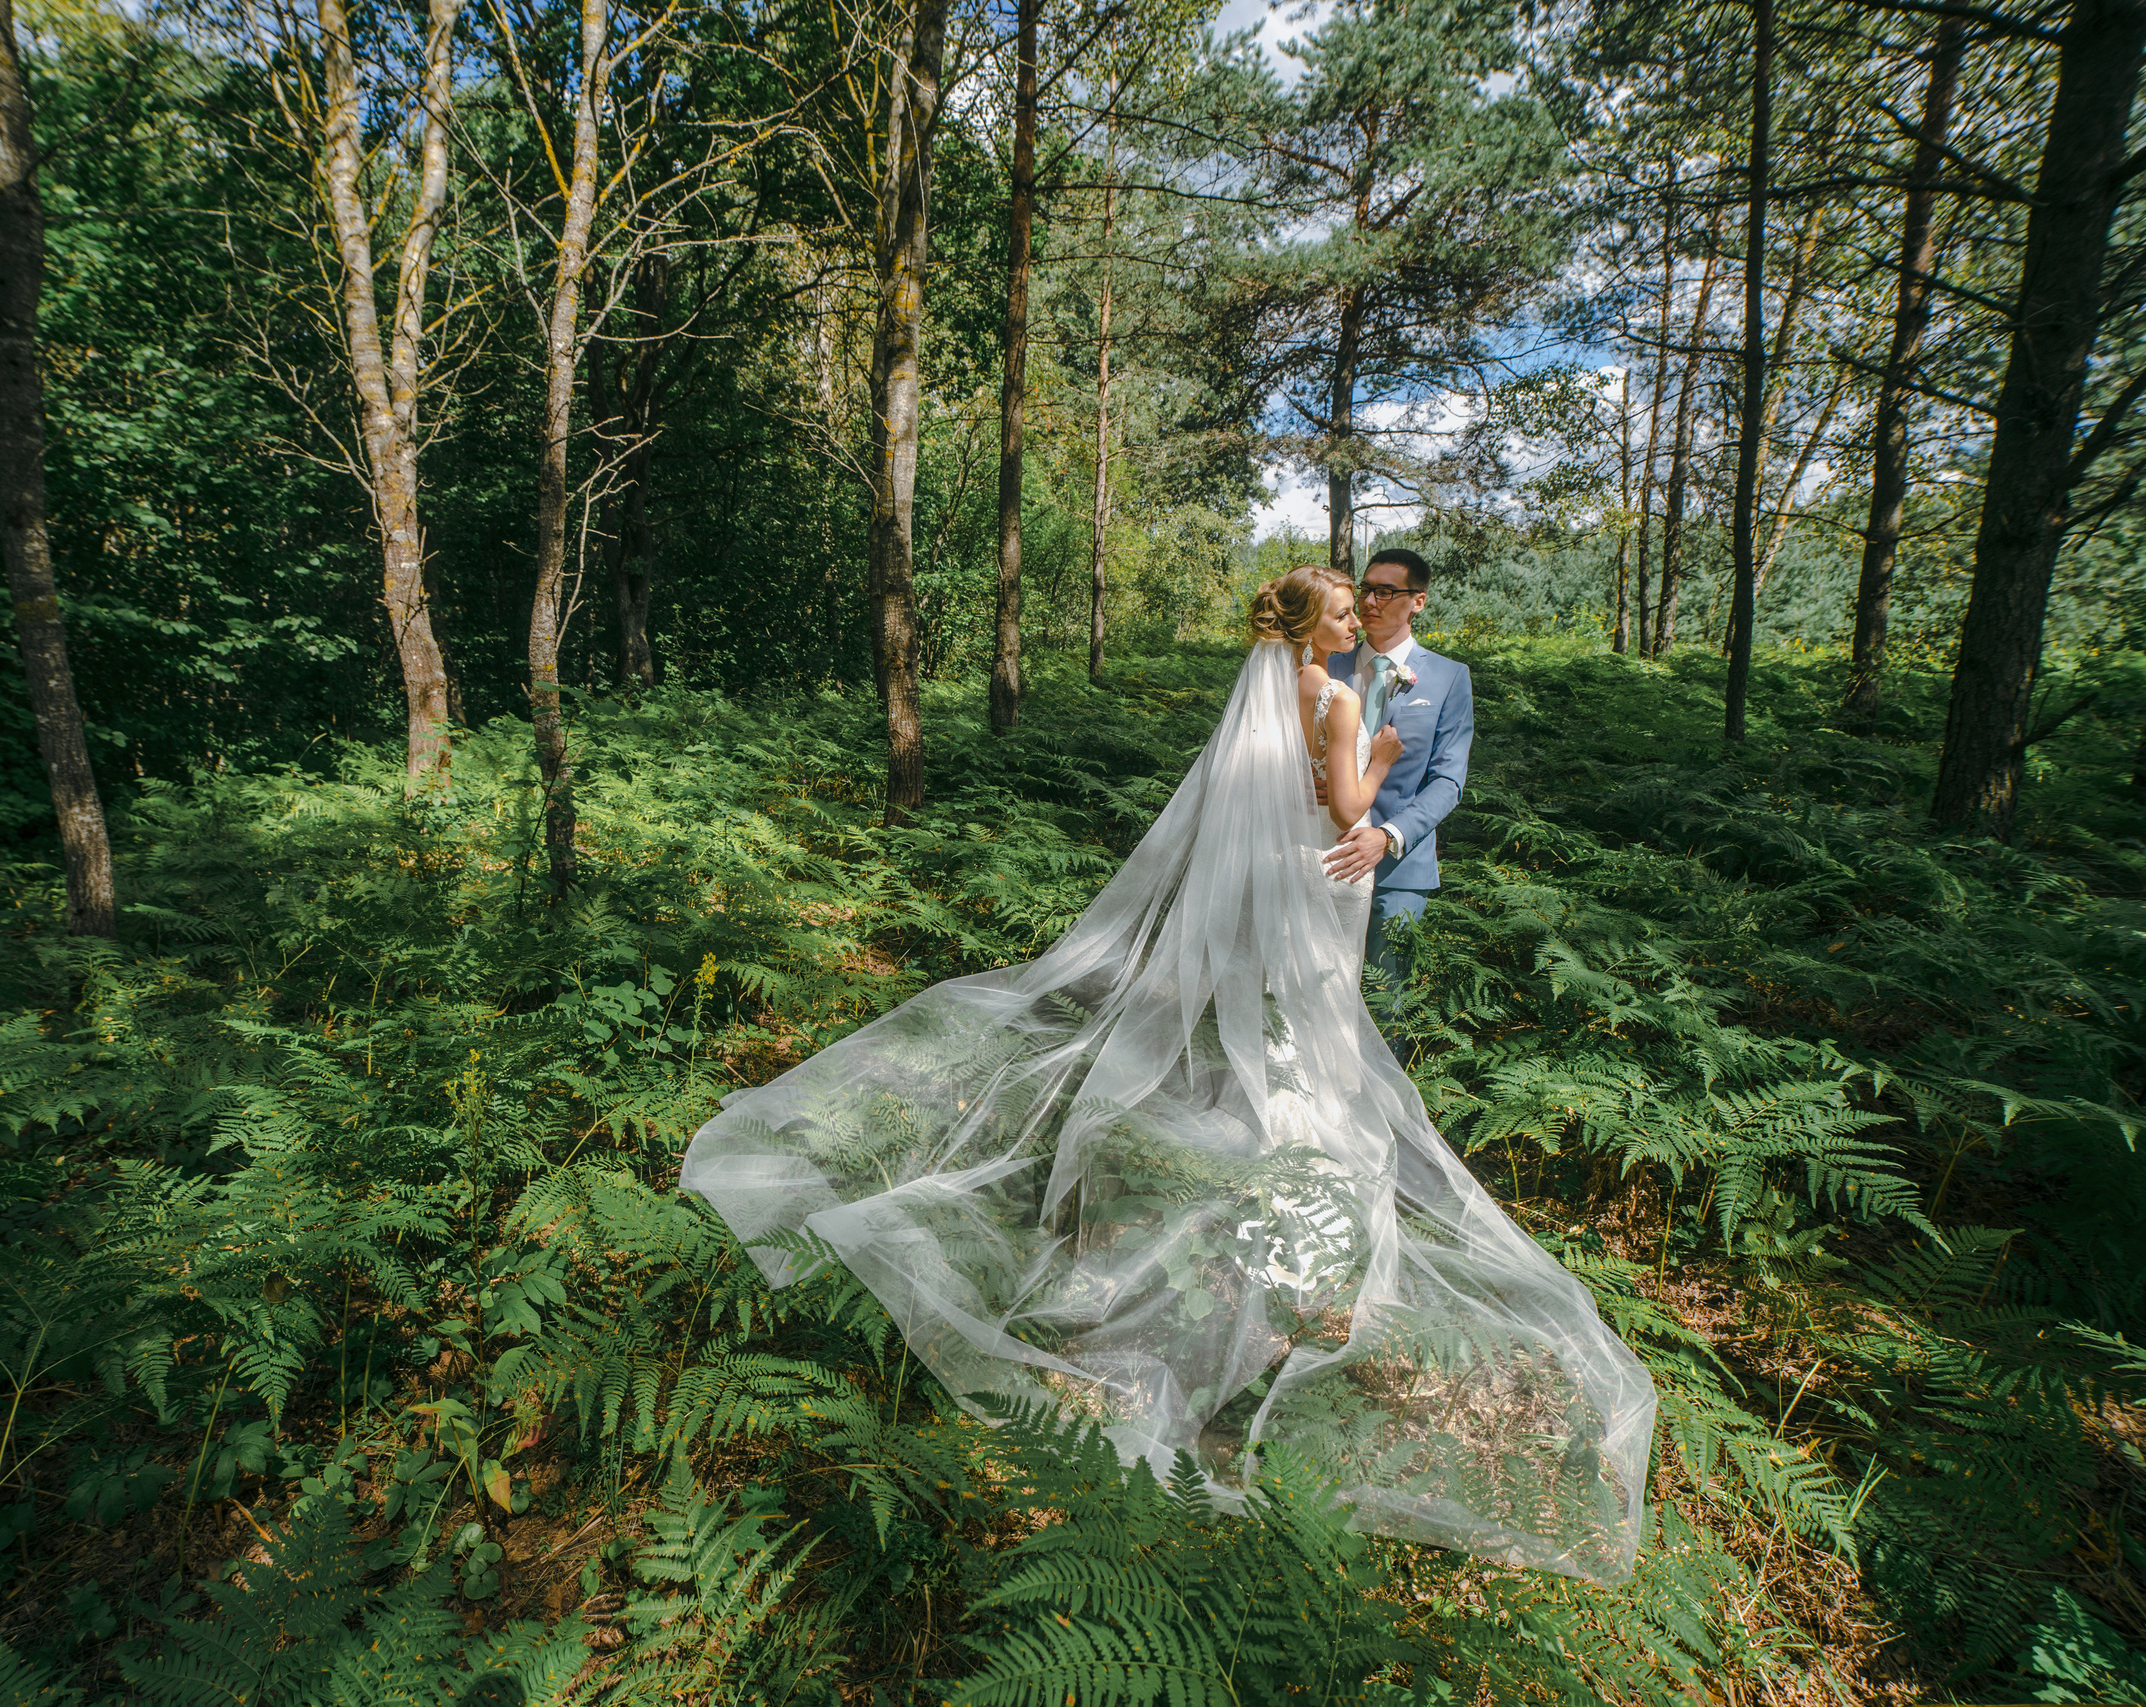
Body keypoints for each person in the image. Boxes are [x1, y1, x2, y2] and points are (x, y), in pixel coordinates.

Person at [679, 567, 1653, 1583]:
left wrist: (1394, 793)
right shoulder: (1341, 694)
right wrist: (1383, 755)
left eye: (1367, 599)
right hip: (1318, 886)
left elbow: (1290, 801)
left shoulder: (1270, 688)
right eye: (1341, 604)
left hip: (1279, 886)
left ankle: (1259, 1162)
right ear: (1322, 622)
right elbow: (1339, 803)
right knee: (1307, 1041)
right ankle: (1292, 1205)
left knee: (1267, 1038)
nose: (1357, 612)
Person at [1317, 549, 1473, 1052]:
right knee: (1312, 987)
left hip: (1398, 871)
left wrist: (1388, 836)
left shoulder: (1450, 677)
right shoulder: (1324, 665)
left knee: (1386, 1001)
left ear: (1418, 602)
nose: (1370, 601)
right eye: (1366, 589)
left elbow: (1447, 781)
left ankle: (1377, 1117)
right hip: (1319, 852)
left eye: (1386, 591)